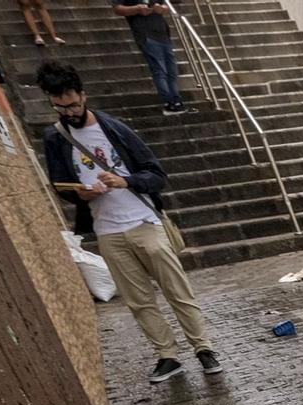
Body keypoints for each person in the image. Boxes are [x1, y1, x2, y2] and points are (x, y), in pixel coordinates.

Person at [36, 61, 219, 384]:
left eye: (73, 104)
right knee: (138, 300)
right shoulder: (55, 138)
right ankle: (168, 355)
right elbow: (60, 185)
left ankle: (203, 348)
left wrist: (126, 181)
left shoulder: (114, 129)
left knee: (176, 289)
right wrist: (82, 194)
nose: (69, 112)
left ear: (83, 95)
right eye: (60, 107)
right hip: (107, 231)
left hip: (144, 221)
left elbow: (157, 175)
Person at [111, 0, 182, 113]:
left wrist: (162, 8)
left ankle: (176, 101)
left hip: (163, 33)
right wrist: (137, 8)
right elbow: (117, 8)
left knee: (171, 70)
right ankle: (169, 102)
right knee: (160, 70)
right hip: (145, 34)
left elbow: (170, 4)